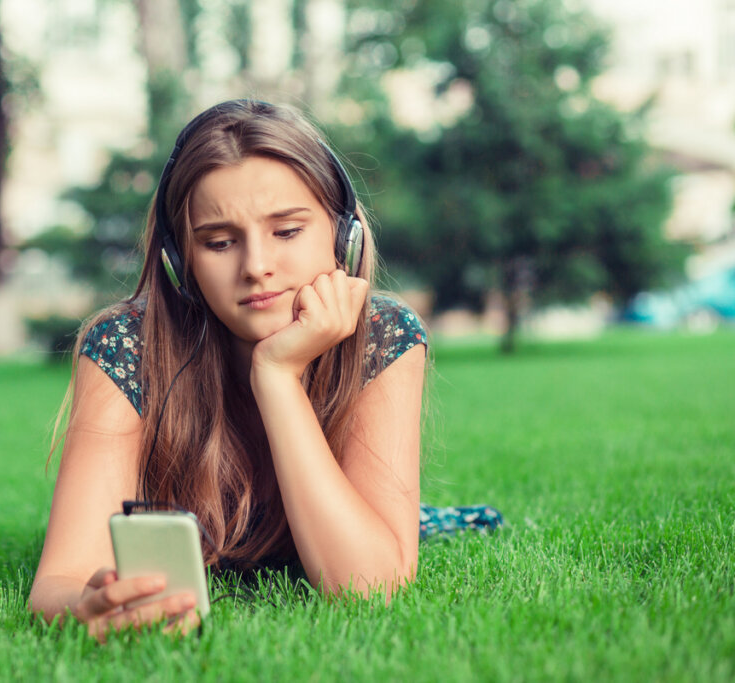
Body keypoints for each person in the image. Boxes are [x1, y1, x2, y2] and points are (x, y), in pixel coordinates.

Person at [28, 100, 502, 640]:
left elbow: (372, 586)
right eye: (220, 242)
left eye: (286, 231)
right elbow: (60, 579)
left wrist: (277, 376)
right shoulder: (124, 345)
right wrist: (88, 604)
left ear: (343, 238)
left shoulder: (384, 334)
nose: (255, 267)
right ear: (178, 263)